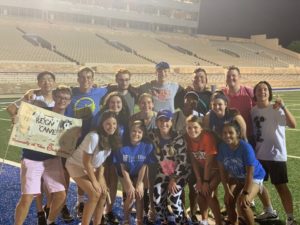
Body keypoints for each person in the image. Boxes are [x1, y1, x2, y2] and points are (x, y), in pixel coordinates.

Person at [13, 85, 73, 225]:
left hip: (52, 160)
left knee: (61, 195)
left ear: (69, 101)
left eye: (66, 98)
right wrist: (16, 118)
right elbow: (13, 110)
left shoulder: (69, 120)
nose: (62, 100)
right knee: (27, 197)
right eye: (59, 97)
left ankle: (49, 221)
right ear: (54, 97)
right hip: (32, 158)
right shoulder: (39, 112)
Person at [251, 81, 297, 225]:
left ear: (269, 92)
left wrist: (283, 106)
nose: (262, 92)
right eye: (259, 89)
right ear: (255, 93)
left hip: (276, 155)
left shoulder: (276, 108)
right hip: (259, 154)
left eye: (265, 89)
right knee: (257, 185)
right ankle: (270, 211)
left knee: (281, 186)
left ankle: (290, 218)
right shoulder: (253, 111)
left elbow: (293, 124)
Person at [65, 67, 108, 218]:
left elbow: (116, 87)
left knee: (93, 167)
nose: (86, 80)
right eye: (82, 77)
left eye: (89, 77)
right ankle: (80, 201)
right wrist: (34, 92)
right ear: (78, 79)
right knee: (80, 169)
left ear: (93, 79)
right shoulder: (71, 93)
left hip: (94, 137)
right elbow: (54, 92)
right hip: (74, 139)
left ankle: (95, 202)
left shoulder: (101, 92)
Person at [66, 110, 122, 225]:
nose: (111, 127)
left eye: (114, 124)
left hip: (93, 167)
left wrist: (101, 181)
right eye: (108, 123)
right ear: (102, 124)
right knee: (94, 194)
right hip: (76, 165)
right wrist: (95, 181)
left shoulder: (111, 138)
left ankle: (97, 222)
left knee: (103, 194)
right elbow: (86, 162)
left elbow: (101, 163)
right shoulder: (94, 137)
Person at [217, 121, 266, 225]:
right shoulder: (222, 147)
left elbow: (250, 173)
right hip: (238, 177)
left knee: (243, 204)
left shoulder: (245, 148)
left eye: (230, 132)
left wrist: (245, 193)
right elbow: (222, 172)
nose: (227, 135)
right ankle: (233, 222)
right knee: (228, 201)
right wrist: (226, 190)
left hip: (255, 177)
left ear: (238, 134)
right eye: (224, 133)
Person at [148, 110, 189, 224]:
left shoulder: (179, 139)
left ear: (171, 122)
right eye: (161, 120)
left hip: (179, 173)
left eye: (166, 120)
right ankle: (164, 220)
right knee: (156, 199)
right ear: (156, 122)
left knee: (173, 199)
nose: (163, 123)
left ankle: (181, 221)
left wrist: (174, 179)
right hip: (163, 172)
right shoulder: (152, 135)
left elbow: (182, 161)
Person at [113, 120, 156, 225]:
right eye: (134, 131)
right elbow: (123, 168)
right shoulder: (122, 147)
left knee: (139, 194)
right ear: (129, 132)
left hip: (138, 173)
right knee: (130, 194)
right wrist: (128, 184)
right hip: (125, 173)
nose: (136, 134)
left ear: (143, 134)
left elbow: (144, 166)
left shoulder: (147, 146)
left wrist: (139, 183)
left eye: (139, 132)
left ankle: (139, 220)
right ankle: (126, 219)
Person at [185, 115, 222, 225]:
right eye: (189, 128)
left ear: (201, 128)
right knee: (200, 193)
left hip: (216, 169)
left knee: (208, 193)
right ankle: (204, 221)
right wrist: (199, 180)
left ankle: (219, 222)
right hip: (203, 170)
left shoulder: (207, 137)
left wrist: (205, 182)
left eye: (195, 127)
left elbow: (209, 163)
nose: (192, 130)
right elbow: (194, 161)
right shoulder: (188, 138)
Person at [222, 66, 255, 146]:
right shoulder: (222, 94)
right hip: (230, 139)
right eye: (228, 76)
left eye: (233, 75)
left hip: (248, 136)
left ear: (239, 77)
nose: (231, 78)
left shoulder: (249, 92)